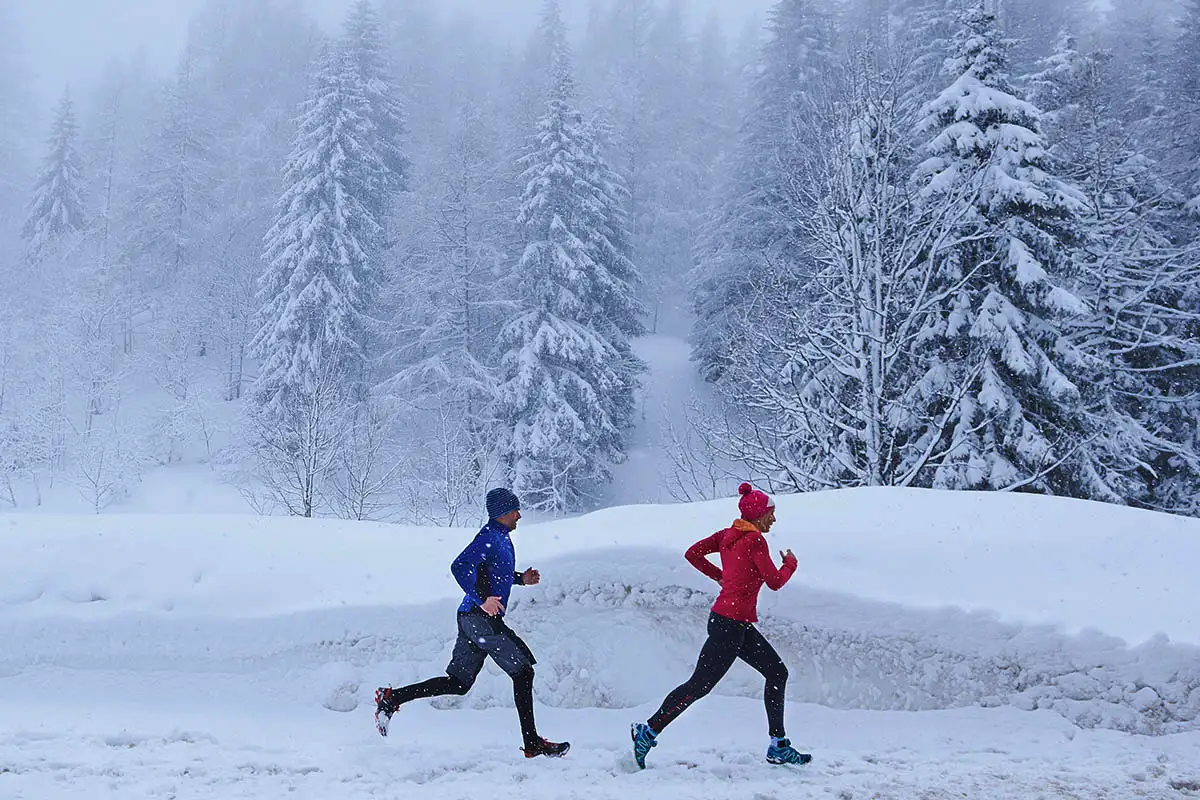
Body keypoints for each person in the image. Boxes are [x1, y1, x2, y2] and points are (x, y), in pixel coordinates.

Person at [374, 487, 569, 758]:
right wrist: (482, 600)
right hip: (480, 618)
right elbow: (459, 566)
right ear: (502, 513)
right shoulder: (489, 537)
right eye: (515, 510)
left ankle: (392, 698)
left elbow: (494, 573)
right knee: (523, 671)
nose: (519, 515)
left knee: (458, 683)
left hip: (472, 619)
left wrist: (520, 579)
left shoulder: (500, 538)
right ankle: (532, 742)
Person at [631, 482, 810, 768]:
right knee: (698, 686)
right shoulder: (755, 541)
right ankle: (648, 730)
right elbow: (775, 581)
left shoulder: (728, 535)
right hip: (729, 626)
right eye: (770, 514)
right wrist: (790, 564)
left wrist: (721, 576)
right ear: (757, 515)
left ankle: (778, 744)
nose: (773, 519)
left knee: (777, 673)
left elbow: (692, 554)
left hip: (732, 623)